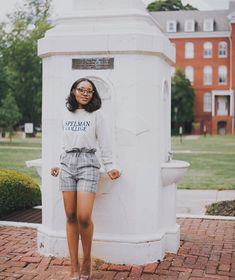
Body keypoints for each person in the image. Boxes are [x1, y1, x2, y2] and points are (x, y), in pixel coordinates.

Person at [50, 78, 121, 280]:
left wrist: (110, 166)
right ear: (73, 91)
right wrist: (57, 162)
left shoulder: (97, 115)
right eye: (81, 89)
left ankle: (87, 259)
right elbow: (60, 141)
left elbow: (105, 142)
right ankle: (74, 267)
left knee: (83, 216)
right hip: (67, 163)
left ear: (93, 95)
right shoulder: (65, 113)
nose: (85, 93)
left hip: (89, 162)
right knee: (70, 215)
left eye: (89, 91)